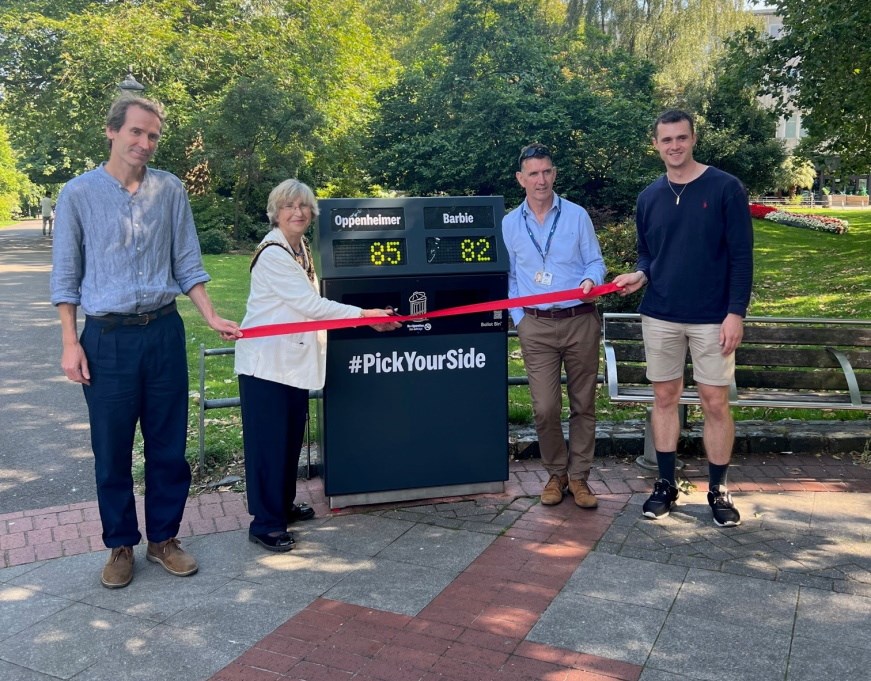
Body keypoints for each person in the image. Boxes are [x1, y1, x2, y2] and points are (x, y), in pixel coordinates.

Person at [50, 95, 241, 589]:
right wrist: (71, 342)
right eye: (136, 132)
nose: (145, 143)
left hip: (162, 333)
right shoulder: (79, 193)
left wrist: (210, 314)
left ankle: (164, 539)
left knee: (167, 446)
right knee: (111, 450)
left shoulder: (170, 190)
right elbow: (66, 278)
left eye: (153, 136)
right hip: (107, 339)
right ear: (112, 132)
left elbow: (188, 263)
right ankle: (119, 545)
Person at [235, 179, 400, 552]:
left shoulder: (299, 247)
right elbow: (311, 307)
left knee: (289, 439)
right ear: (276, 212)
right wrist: (364, 315)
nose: (297, 213)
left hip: (287, 365)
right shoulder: (274, 253)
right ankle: (265, 523)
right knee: (269, 446)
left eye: (304, 206)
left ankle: (282, 506)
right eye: (289, 206)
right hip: (266, 366)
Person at [612, 109, 753, 527]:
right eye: (666, 139)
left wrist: (735, 313)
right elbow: (649, 254)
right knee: (665, 399)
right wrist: (639, 275)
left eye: (681, 138)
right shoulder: (648, 197)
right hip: (660, 314)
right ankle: (666, 484)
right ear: (655, 144)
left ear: (693, 139)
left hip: (713, 317)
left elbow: (742, 258)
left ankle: (719, 489)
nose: (674, 146)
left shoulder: (726, 187)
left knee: (714, 401)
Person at [502, 144, 607, 509]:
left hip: (580, 320)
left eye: (546, 171)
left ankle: (579, 479)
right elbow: (511, 277)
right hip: (537, 327)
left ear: (554, 173)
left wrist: (592, 280)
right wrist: (521, 321)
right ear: (521, 179)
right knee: (545, 407)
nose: (541, 180)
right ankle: (555, 473)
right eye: (533, 173)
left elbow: (596, 261)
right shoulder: (510, 223)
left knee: (583, 405)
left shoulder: (576, 216)